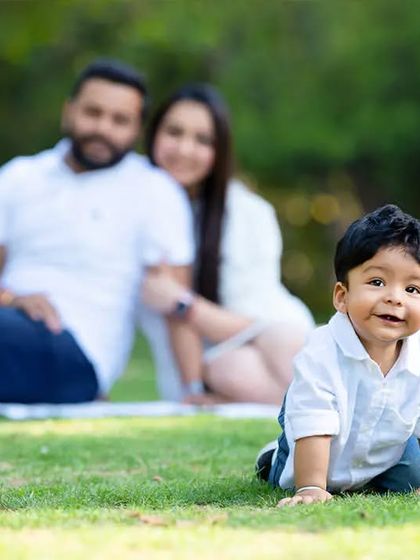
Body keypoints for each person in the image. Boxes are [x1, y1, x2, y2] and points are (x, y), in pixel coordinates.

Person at [0, 58, 201, 404]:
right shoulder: (19, 177)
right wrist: (12, 299)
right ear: (68, 111)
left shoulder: (155, 190)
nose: (103, 128)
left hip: (77, 351)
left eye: (119, 120)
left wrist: (192, 389)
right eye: (93, 113)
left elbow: (175, 301)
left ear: (137, 130)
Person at [140, 83, 314, 404]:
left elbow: (254, 324)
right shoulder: (141, 209)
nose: (185, 149)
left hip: (268, 342)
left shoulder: (248, 212)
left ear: (219, 151)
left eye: (202, 140)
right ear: (153, 136)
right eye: (174, 133)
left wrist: (181, 303)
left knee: (281, 349)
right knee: (228, 369)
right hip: (215, 365)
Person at [256, 204, 420, 506]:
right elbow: (313, 421)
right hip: (318, 448)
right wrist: (311, 487)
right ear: (342, 297)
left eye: (412, 289)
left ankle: (380, 476)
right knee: (287, 468)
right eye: (377, 282)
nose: (394, 298)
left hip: (383, 454)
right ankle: (273, 455)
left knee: (413, 472)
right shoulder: (321, 353)